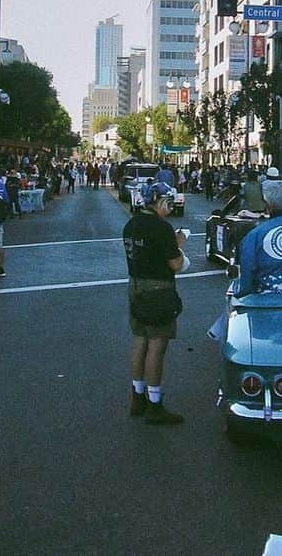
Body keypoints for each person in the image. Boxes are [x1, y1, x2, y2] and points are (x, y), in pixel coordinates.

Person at [122, 182, 187, 425]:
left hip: (136, 286)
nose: (170, 208)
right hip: (159, 288)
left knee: (140, 340)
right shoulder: (161, 228)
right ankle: (154, 403)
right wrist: (179, 245)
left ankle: (137, 396)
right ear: (158, 202)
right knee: (157, 346)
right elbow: (176, 265)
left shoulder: (131, 224)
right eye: (168, 203)